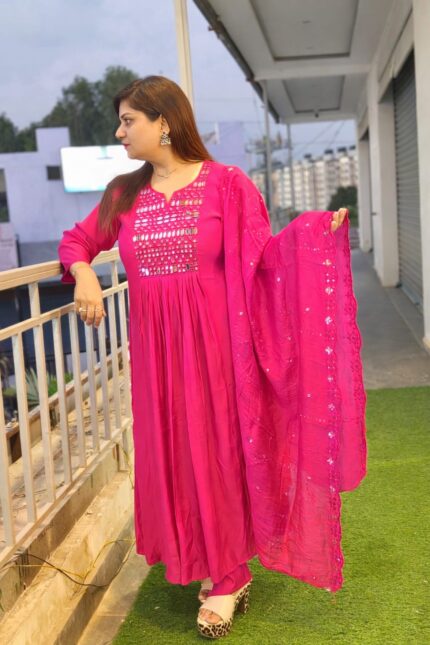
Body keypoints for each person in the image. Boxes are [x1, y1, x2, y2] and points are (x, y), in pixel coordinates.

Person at [58, 75, 367, 640]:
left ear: (164, 122)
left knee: (218, 455)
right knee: (175, 454)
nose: (119, 132)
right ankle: (204, 559)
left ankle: (228, 575)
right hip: (156, 355)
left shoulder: (227, 185)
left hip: (218, 352)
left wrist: (311, 235)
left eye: (128, 121)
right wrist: (83, 273)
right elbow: (77, 241)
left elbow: (264, 262)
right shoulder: (122, 193)